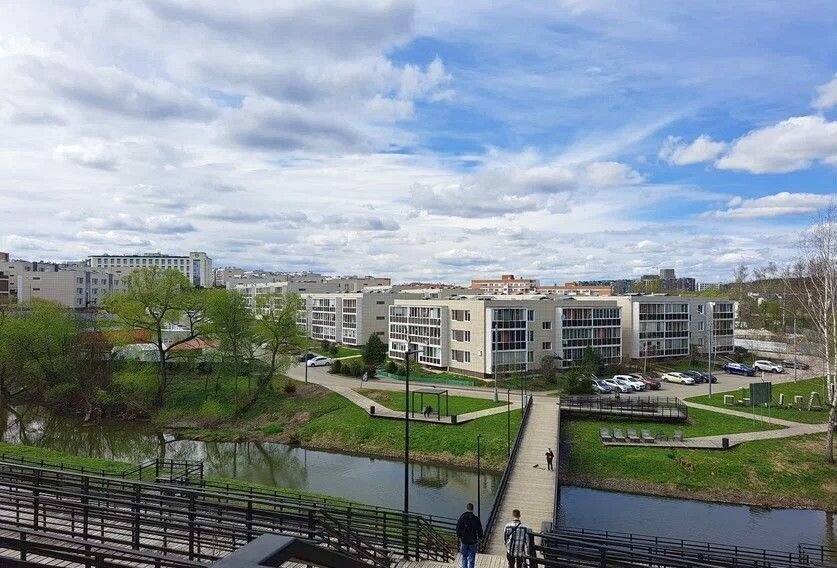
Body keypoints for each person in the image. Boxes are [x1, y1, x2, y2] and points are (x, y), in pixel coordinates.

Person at [456, 502, 483, 568]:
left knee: (464, 557)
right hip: (473, 541)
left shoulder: (462, 517)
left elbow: (458, 527)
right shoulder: (476, 519)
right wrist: (480, 537)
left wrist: (459, 536)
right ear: (473, 509)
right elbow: (479, 529)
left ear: (466, 508)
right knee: (471, 558)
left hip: (464, 540)